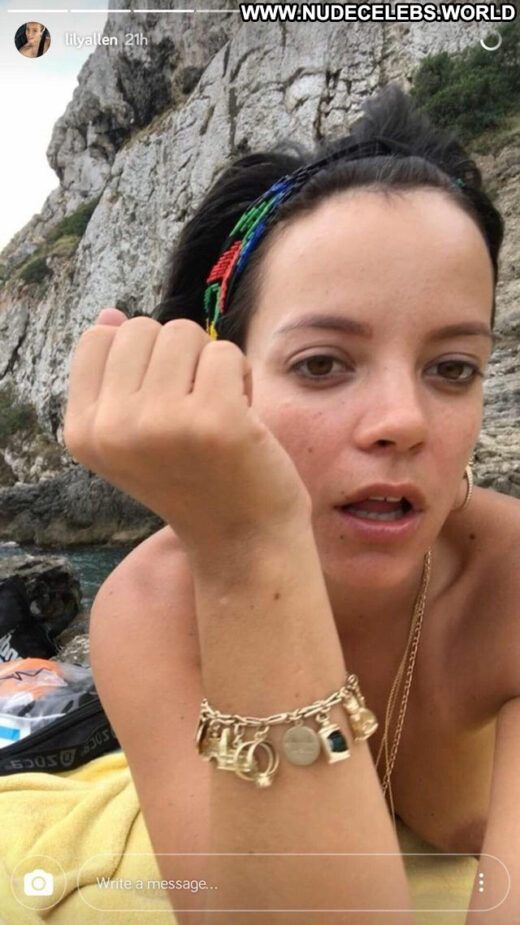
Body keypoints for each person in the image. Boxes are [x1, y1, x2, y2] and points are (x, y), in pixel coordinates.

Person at [63, 84, 520, 923]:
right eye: (321, 364)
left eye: (452, 368)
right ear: (222, 378)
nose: (403, 421)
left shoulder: (509, 584)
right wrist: (248, 553)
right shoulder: (153, 607)